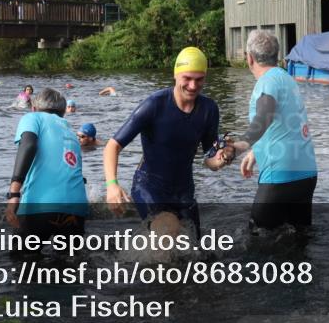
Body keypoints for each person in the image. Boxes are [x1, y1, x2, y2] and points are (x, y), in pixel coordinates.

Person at [103, 47, 233, 236]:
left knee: (196, 250)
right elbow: (112, 146)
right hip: (149, 187)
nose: (193, 85)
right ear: (175, 74)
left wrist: (222, 158)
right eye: (187, 78)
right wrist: (112, 185)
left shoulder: (209, 109)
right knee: (168, 230)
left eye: (199, 79)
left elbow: (209, 160)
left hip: (184, 192)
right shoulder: (155, 104)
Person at [233, 30, 317, 230]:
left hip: (281, 178)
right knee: (300, 240)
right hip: (306, 175)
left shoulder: (266, 82)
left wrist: (238, 147)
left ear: (249, 58)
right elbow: (284, 123)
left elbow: (264, 116)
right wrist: (256, 152)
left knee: (257, 241)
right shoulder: (285, 78)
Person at [4, 88, 88, 245]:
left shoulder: (33, 117)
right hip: (76, 208)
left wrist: (14, 193)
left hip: (40, 205)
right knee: (70, 264)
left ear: (34, 108)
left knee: (23, 262)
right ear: (63, 112)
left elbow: (28, 145)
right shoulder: (71, 133)